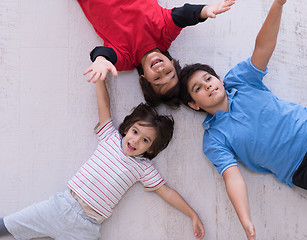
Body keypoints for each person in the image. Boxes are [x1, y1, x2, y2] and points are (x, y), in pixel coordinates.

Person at [178, 0, 307, 239]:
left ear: (219, 80)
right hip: (305, 167)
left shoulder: (240, 81)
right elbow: (232, 178)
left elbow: (263, 47)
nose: (208, 86)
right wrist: (245, 220)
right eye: (198, 88)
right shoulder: (214, 138)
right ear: (194, 104)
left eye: (208, 78)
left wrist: (277, 4)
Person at [0, 80, 205, 239]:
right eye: (135, 132)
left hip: (87, 226)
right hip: (61, 206)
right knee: (9, 224)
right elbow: (104, 106)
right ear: (126, 128)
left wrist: (192, 213)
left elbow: (166, 192)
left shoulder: (143, 168)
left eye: (145, 140)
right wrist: (100, 78)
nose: (135, 140)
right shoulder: (110, 136)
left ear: (151, 150)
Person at [78, 0, 236, 107]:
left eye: (157, 79)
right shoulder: (164, 35)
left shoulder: (127, 59)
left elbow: (105, 54)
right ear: (172, 62)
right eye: (169, 72)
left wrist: (100, 59)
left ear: (144, 77)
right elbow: (183, 15)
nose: (161, 70)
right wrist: (205, 10)